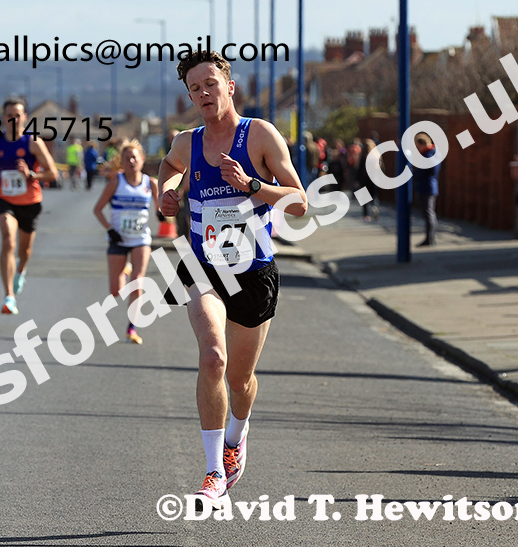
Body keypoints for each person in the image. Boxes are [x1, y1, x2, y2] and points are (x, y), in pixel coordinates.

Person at [158, 51, 307, 509]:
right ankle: (212, 474)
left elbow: (299, 201)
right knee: (213, 359)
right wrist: (165, 192)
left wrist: (252, 187)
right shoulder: (188, 142)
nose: (203, 93)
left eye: (209, 84)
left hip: (253, 271)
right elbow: (168, 168)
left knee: (241, 381)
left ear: (229, 86)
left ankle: (237, 438)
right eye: (194, 89)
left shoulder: (259, 135)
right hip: (204, 266)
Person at [0, 97, 58, 314]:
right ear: (4, 118)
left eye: (17, 115)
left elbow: (53, 173)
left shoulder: (33, 143)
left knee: (25, 250)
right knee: (7, 241)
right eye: (9, 115)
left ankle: (21, 271)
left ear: (24, 118)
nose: (13, 119)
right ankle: (9, 296)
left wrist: (31, 174)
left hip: (30, 202)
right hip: (5, 200)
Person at [92, 139, 159, 344]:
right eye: (126, 158)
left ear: (142, 159)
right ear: (121, 161)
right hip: (118, 239)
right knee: (116, 291)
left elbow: (162, 207)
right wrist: (110, 230)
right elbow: (97, 209)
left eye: (134, 157)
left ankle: (132, 327)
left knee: (138, 282)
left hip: (141, 239)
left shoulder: (150, 183)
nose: (131, 161)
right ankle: (125, 268)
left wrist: (164, 214)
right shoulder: (116, 182)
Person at [413, 133, 441, 247]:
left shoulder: (428, 155)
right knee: (429, 213)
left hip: (427, 186)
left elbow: (426, 169)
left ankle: (430, 238)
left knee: (428, 213)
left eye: (417, 146)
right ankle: (430, 237)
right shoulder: (434, 152)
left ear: (422, 144)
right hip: (430, 186)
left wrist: (415, 174)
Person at [357, 138, 380, 222]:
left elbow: (359, 168)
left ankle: (366, 215)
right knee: (374, 196)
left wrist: (357, 180)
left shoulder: (363, 156)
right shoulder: (376, 156)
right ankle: (374, 207)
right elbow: (382, 169)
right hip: (374, 179)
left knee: (364, 199)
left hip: (364, 179)